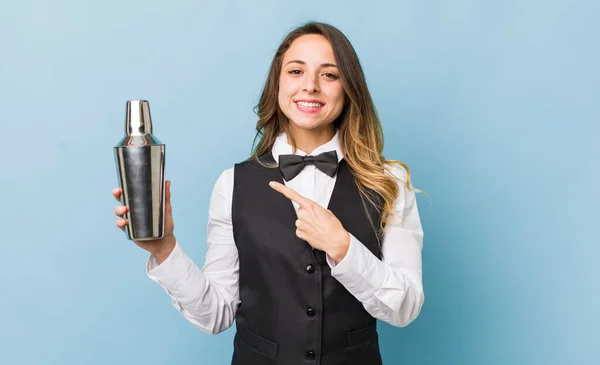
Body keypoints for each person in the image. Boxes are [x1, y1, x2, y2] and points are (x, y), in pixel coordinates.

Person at [112, 21, 424, 365]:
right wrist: (164, 249)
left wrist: (344, 247)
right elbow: (216, 314)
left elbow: (405, 308)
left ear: (349, 88)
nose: (310, 86)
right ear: (278, 83)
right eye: (296, 71)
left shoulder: (389, 182)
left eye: (330, 75)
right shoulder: (232, 183)